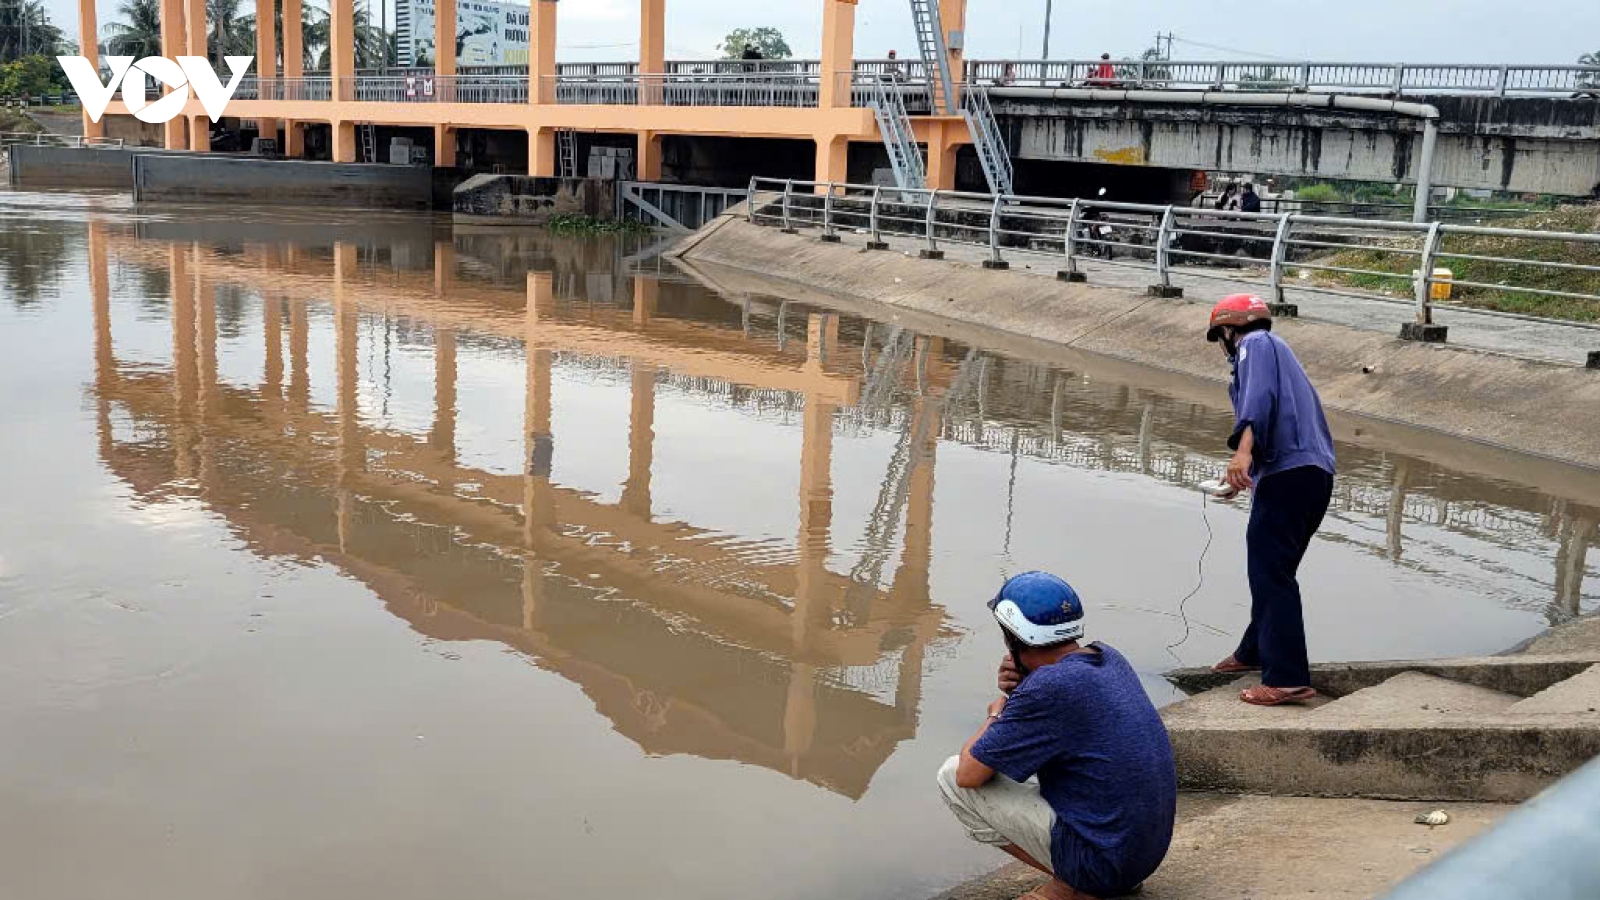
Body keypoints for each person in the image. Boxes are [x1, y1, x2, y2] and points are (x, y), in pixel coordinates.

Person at [938, 572, 1177, 900]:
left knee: (951, 776)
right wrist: (1023, 688)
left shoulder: (1049, 688)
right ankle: (1090, 878)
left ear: (1011, 637)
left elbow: (969, 775)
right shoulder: (1108, 658)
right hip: (1139, 856)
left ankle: (1075, 884)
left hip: (1106, 866)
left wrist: (997, 713)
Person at [1206, 295, 1337, 706]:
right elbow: (1279, 415)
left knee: (1270, 573)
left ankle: (1287, 678)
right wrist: (1244, 476)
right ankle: (1253, 651)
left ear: (1229, 330)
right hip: (1311, 476)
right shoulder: (1280, 353)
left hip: (1289, 476)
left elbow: (1259, 400)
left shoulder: (1255, 344)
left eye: (1221, 337)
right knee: (1273, 570)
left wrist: (1242, 452)